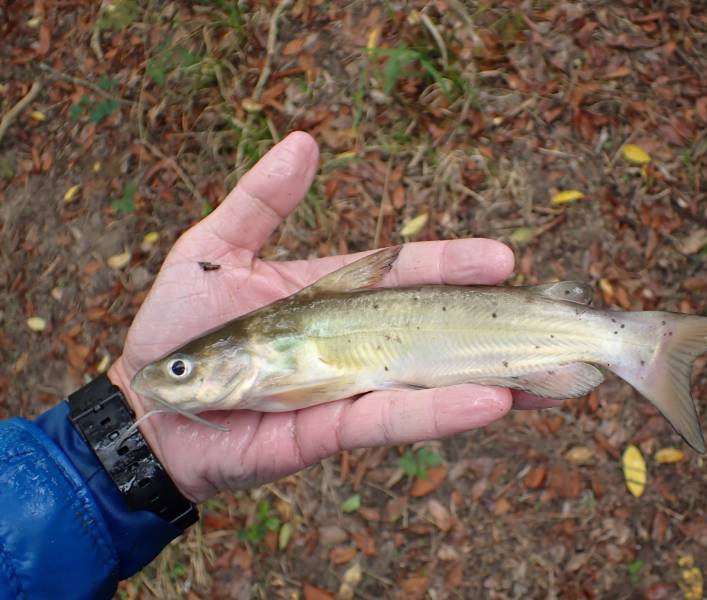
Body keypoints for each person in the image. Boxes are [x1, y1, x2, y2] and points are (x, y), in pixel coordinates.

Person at [0, 132, 557, 599]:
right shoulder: (257, 357)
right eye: (181, 371)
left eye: (180, 371)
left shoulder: (272, 350)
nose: (168, 382)